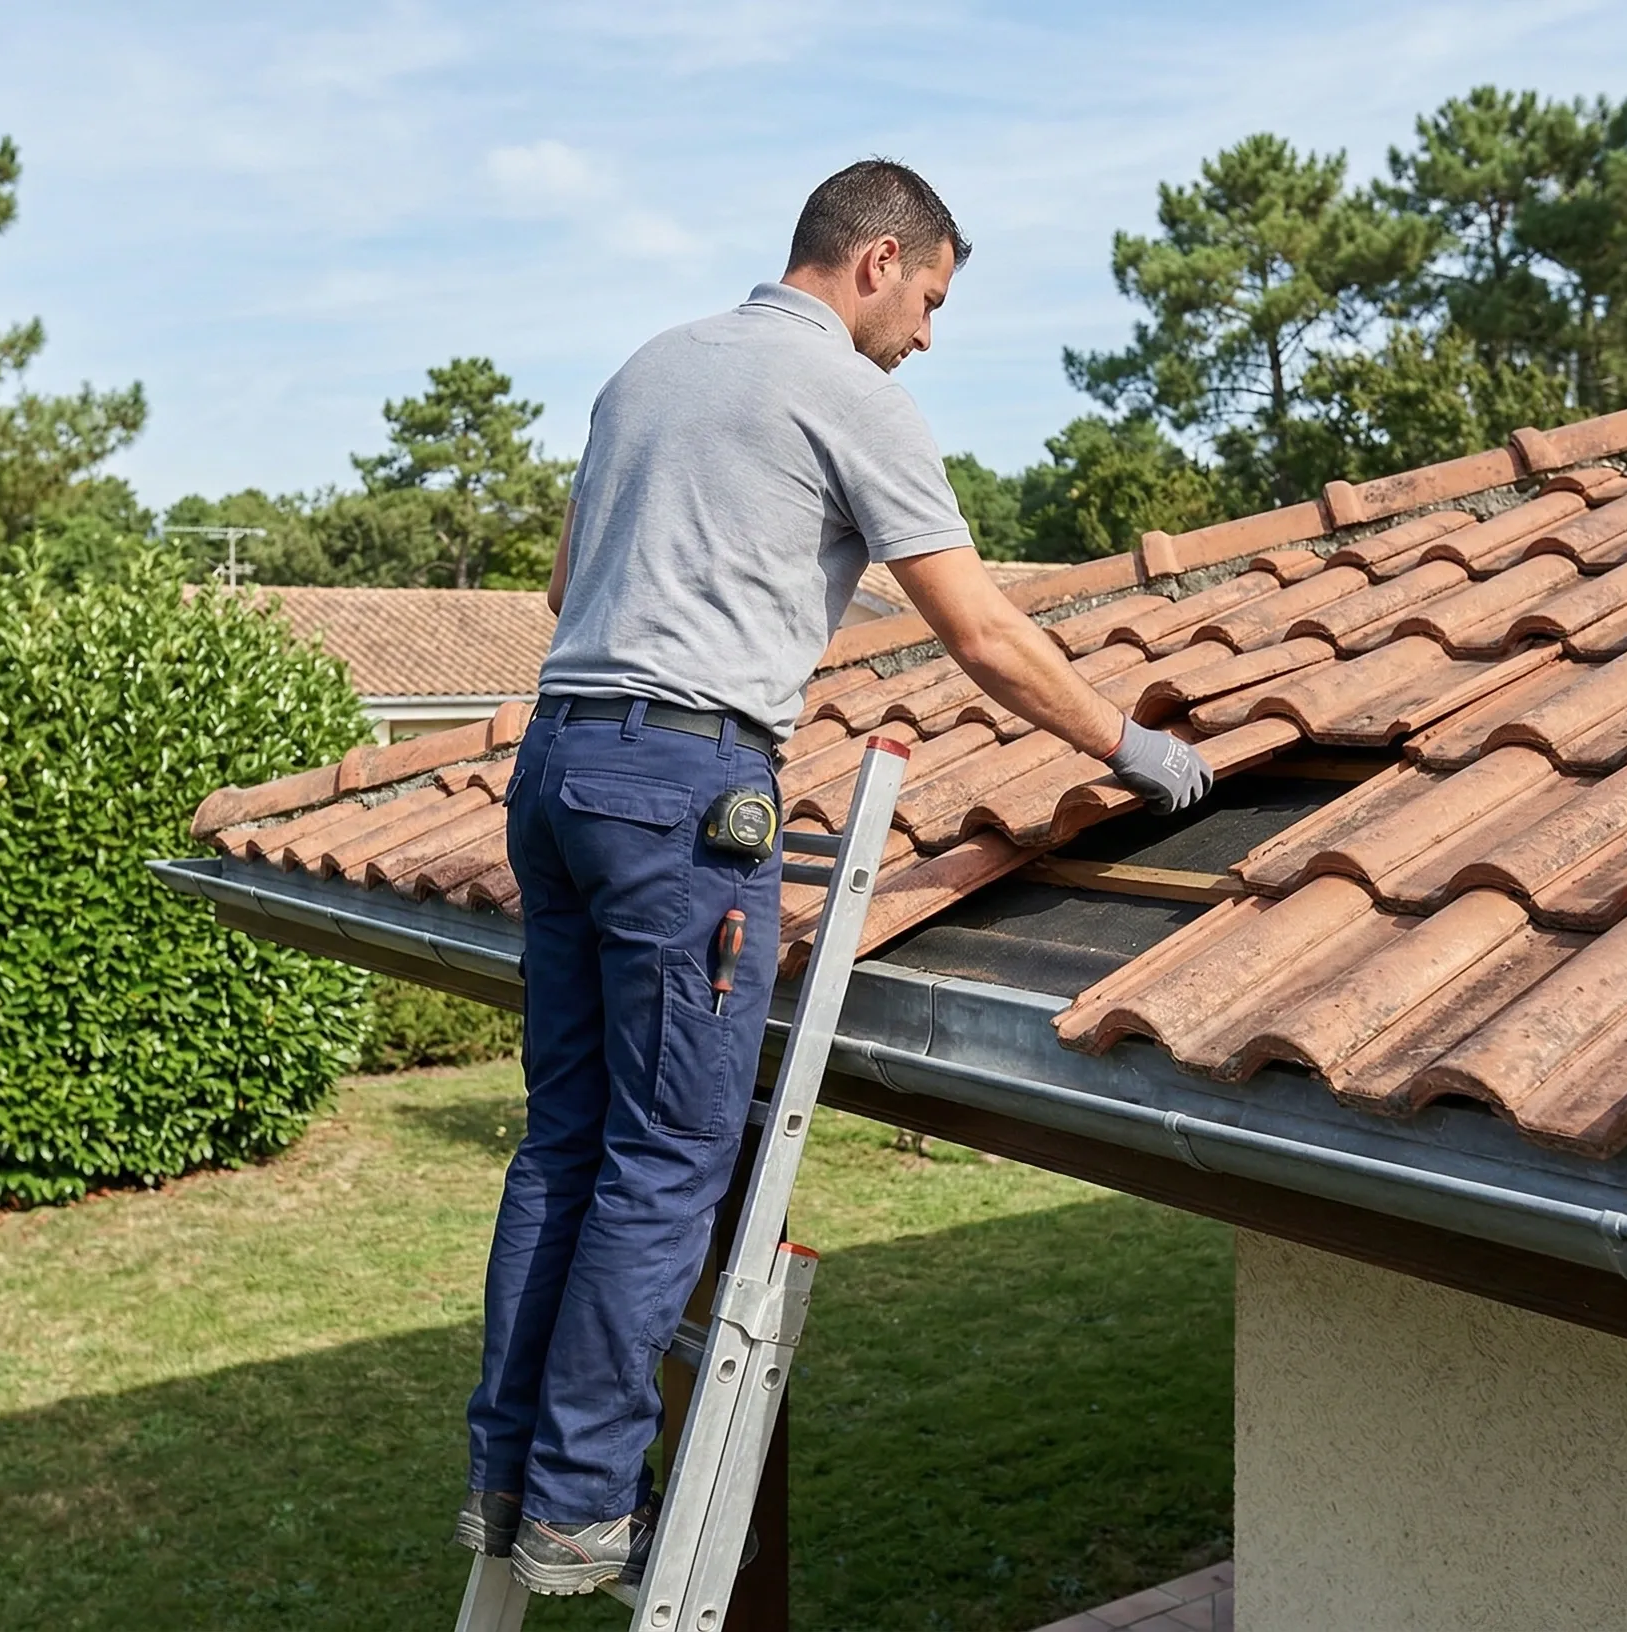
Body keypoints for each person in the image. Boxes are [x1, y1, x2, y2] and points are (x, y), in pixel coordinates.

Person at [458, 158, 1213, 1597]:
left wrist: (778, 572)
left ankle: (507, 1480)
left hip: (556, 768)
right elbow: (984, 634)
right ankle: (581, 1507)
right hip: (678, 790)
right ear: (877, 261)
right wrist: (1132, 748)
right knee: (670, 1154)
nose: (924, 336)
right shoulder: (850, 396)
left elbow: (569, 592)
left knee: (565, 1138)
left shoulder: (647, 369)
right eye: (929, 302)